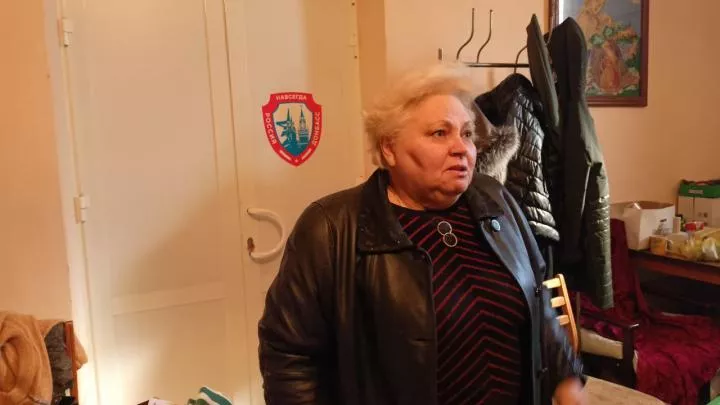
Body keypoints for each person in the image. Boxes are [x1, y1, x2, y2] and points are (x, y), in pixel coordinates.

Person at [258, 64, 586, 405]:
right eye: (440, 133)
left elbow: (537, 301)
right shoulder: (331, 228)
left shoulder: (496, 200)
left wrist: (567, 382)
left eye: (467, 133)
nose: (462, 148)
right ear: (389, 148)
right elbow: (288, 358)